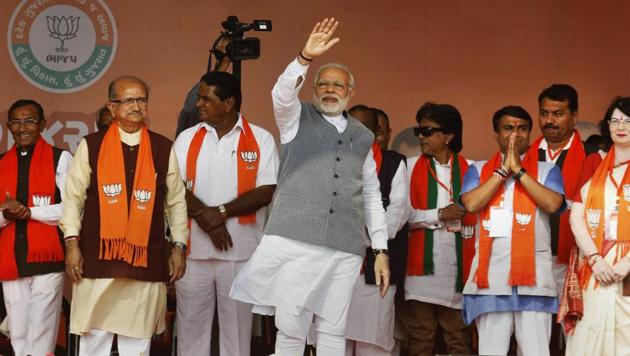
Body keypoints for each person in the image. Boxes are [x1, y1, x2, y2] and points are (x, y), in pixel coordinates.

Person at [230, 18, 390, 355]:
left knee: (334, 328)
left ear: (351, 93)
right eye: (324, 84)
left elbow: (372, 194)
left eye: (339, 85)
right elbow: (281, 93)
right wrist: (304, 57)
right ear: (313, 88)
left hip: (344, 245)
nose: (331, 89)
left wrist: (380, 249)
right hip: (295, 239)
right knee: (291, 326)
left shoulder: (363, 136)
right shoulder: (294, 118)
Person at [60, 75, 188, 355]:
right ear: (112, 106)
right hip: (98, 258)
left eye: (142, 99)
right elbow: (73, 199)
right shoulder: (91, 145)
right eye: (128, 100)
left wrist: (179, 246)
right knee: (94, 339)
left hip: (146, 258)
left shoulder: (162, 147)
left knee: (138, 341)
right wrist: (71, 244)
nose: (136, 105)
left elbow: (176, 202)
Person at [174, 71, 278, 355]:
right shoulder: (187, 138)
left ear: (229, 103)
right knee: (190, 330)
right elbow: (174, 188)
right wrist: (211, 222)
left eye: (206, 98)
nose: (199, 104)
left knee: (237, 333)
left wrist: (220, 213)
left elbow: (266, 190)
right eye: (199, 98)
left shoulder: (261, 139)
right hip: (193, 253)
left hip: (240, 253)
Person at [460, 105, 565, 356]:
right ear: (496, 133)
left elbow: (553, 204)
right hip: (491, 279)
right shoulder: (478, 169)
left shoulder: (547, 170)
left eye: (522, 129)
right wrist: (501, 171)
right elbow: (472, 203)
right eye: (508, 128)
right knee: (491, 352)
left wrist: (518, 171)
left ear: (530, 133)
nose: (515, 135)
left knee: (536, 351)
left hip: (534, 280)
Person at [398, 102, 475, 355]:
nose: (421, 137)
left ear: (449, 135)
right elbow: (399, 218)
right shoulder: (407, 168)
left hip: (457, 272)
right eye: (418, 131)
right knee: (421, 340)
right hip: (420, 273)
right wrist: (440, 214)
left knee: (458, 342)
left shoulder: (473, 170)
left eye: (428, 131)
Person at [0, 99, 72, 356]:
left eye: (29, 121)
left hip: (47, 257)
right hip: (11, 258)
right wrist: (7, 215)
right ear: (8, 127)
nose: (22, 128)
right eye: (16, 122)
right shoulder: (0, 163)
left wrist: (31, 212)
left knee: (41, 329)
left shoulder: (60, 158)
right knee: (17, 331)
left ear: (41, 124)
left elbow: (72, 210)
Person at [565, 97, 630, 355]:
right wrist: (595, 259)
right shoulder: (598, 170)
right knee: (590, 334)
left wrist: (627, 263)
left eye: (627, 120)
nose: (620, 126)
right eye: (615, 120)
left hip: (626, 265)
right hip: (597, 266)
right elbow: (576, 217)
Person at [344, 105, 408, 356]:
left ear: (375, 132)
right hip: (339, 264)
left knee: (374, 342)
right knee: (335, 340)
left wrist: (368, 239)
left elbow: (398, 211)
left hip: (375, 264)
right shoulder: (332, 161)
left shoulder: (393, 163)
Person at [534, 84, 599, 301]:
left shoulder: (594, 158)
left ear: (574, 116)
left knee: (573, 329)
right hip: (529, 256)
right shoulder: (523, 157)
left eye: (558, 114)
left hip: (574, 256)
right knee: (536, 332)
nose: (549, 120)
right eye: (544, 114)